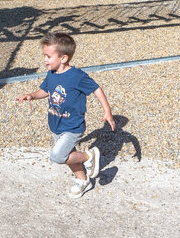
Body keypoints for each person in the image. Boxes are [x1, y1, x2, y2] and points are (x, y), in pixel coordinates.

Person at [15, 31, 116, 198]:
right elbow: (45, 90)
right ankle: (83, 180)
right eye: (44, 55)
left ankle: (89, 155)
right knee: (69, 156)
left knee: (58, 156)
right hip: (56, 125)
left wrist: (107, 111)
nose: (44, 60)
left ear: (63, 58)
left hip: (72, 127)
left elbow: (96, 89)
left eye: (48, 56)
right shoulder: (52, 74)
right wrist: (31, 96)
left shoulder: (77, 76)